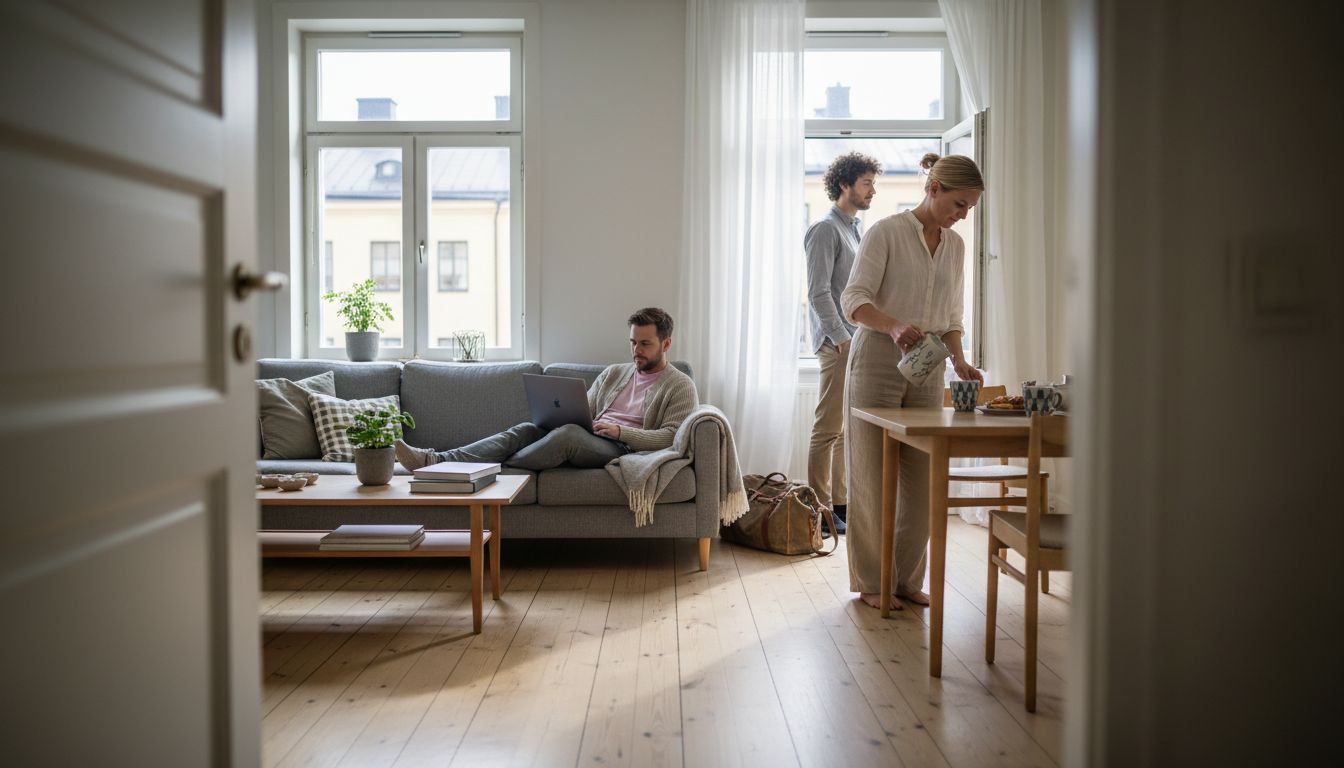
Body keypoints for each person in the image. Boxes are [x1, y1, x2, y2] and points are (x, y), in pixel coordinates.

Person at [840, 153, 986, 612]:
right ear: (935, 187)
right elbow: (853, 301)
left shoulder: (956, 247)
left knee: (921, 480)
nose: (962, 215)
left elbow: (951, 318)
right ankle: (871, 580)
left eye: (969, 210)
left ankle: (904, 579)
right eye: (959, 204)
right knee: (869, 475)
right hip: (877, 360)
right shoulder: (885, 232)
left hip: (928, 364)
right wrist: (892, 326)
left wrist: (960, 361)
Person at [394, 308, 698, 472]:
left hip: (621, 449)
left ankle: (492, 464)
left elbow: (672, 437)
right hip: (590, 435)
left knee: (567, 436)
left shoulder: (680, 384)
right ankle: (435, 460)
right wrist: (568, 415)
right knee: (527, 429)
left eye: (645, 344)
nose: (636, 351)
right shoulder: (614, 373)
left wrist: (620, 433)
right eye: (633, 342)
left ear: (666, 344)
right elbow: (585, 410)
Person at [805, 152, 881, 535]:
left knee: (842, 430)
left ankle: (839, 505)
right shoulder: (824, 230)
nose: (872, 190)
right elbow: (818, 293)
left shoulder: (854, 229)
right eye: (866, 182)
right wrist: (841, 339)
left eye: (872, 182)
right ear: (845, 185)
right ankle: (818, 512)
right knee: (827, 428)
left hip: (852, 342)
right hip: (837, 344)